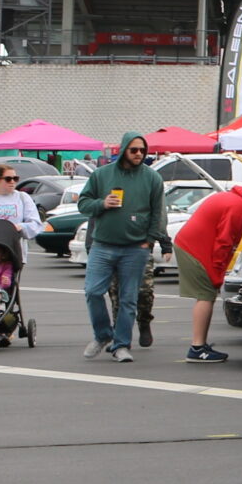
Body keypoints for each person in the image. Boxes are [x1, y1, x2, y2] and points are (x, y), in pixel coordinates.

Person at [76, 132, 168, 364]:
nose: (139, 154)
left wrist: (149, 241)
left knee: (129, 299)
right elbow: (83, 204)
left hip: (136, 248)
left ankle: (122, 345)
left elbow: (158, 213)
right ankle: (103, 335)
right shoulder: (102, 175)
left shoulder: (152, 178)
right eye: (134, 150)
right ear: (124, 149)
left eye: (142, 150)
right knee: (93, 291)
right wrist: (102, 203)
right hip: (103, 245)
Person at [170, 183, 242, 363]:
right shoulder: (240, 206)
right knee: (205, 295)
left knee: (207, 295)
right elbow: (225, 240)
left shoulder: (235, 199)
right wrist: (218, 269)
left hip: (191, 245)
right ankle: (197, 348)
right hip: (195, 249)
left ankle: (200, 345)